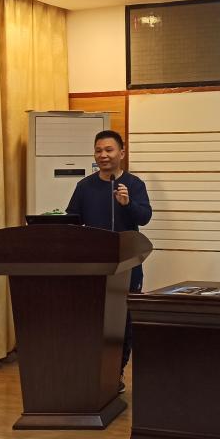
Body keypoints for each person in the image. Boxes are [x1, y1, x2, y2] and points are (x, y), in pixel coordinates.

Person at [66, 130, 152, 394]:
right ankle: (93, 371)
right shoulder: (84, 186)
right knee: (95, 320)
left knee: (123, 322)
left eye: (109, 150)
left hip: (127, 265)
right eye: (98, 150)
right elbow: (72, 220)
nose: (103, 155)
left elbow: (145, 217)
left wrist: (127, 204)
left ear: (121, 153)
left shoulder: (134, 184)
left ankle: (116, 373)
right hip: (94, 265)